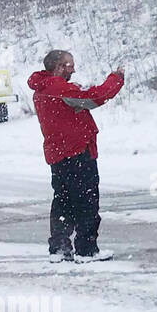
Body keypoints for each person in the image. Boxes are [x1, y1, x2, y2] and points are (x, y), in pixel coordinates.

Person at [26, 50, 125, 263]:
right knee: (86, 202)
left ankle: (60, 248)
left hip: (57, 154)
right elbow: (94, 98)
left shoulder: (41, 89)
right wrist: (116, 79)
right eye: (69, 65)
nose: (73, 69)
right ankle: (87, 250)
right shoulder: (58, 88)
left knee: (62, 201)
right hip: (77, 152)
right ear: (58, 67)